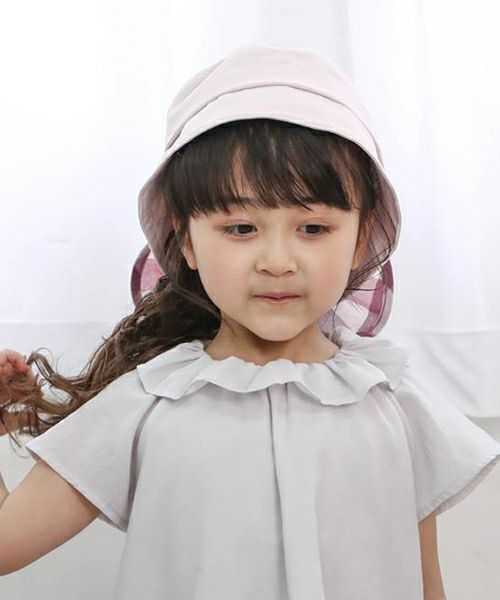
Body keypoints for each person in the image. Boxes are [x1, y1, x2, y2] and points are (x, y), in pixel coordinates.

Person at [1, 44, 499, 600]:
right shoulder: (145, 403)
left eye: (313, 228)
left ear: (362, 237)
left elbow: (427, 586)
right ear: (186, 240)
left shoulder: (396, 405)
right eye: (241, 228)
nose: (278, 261)